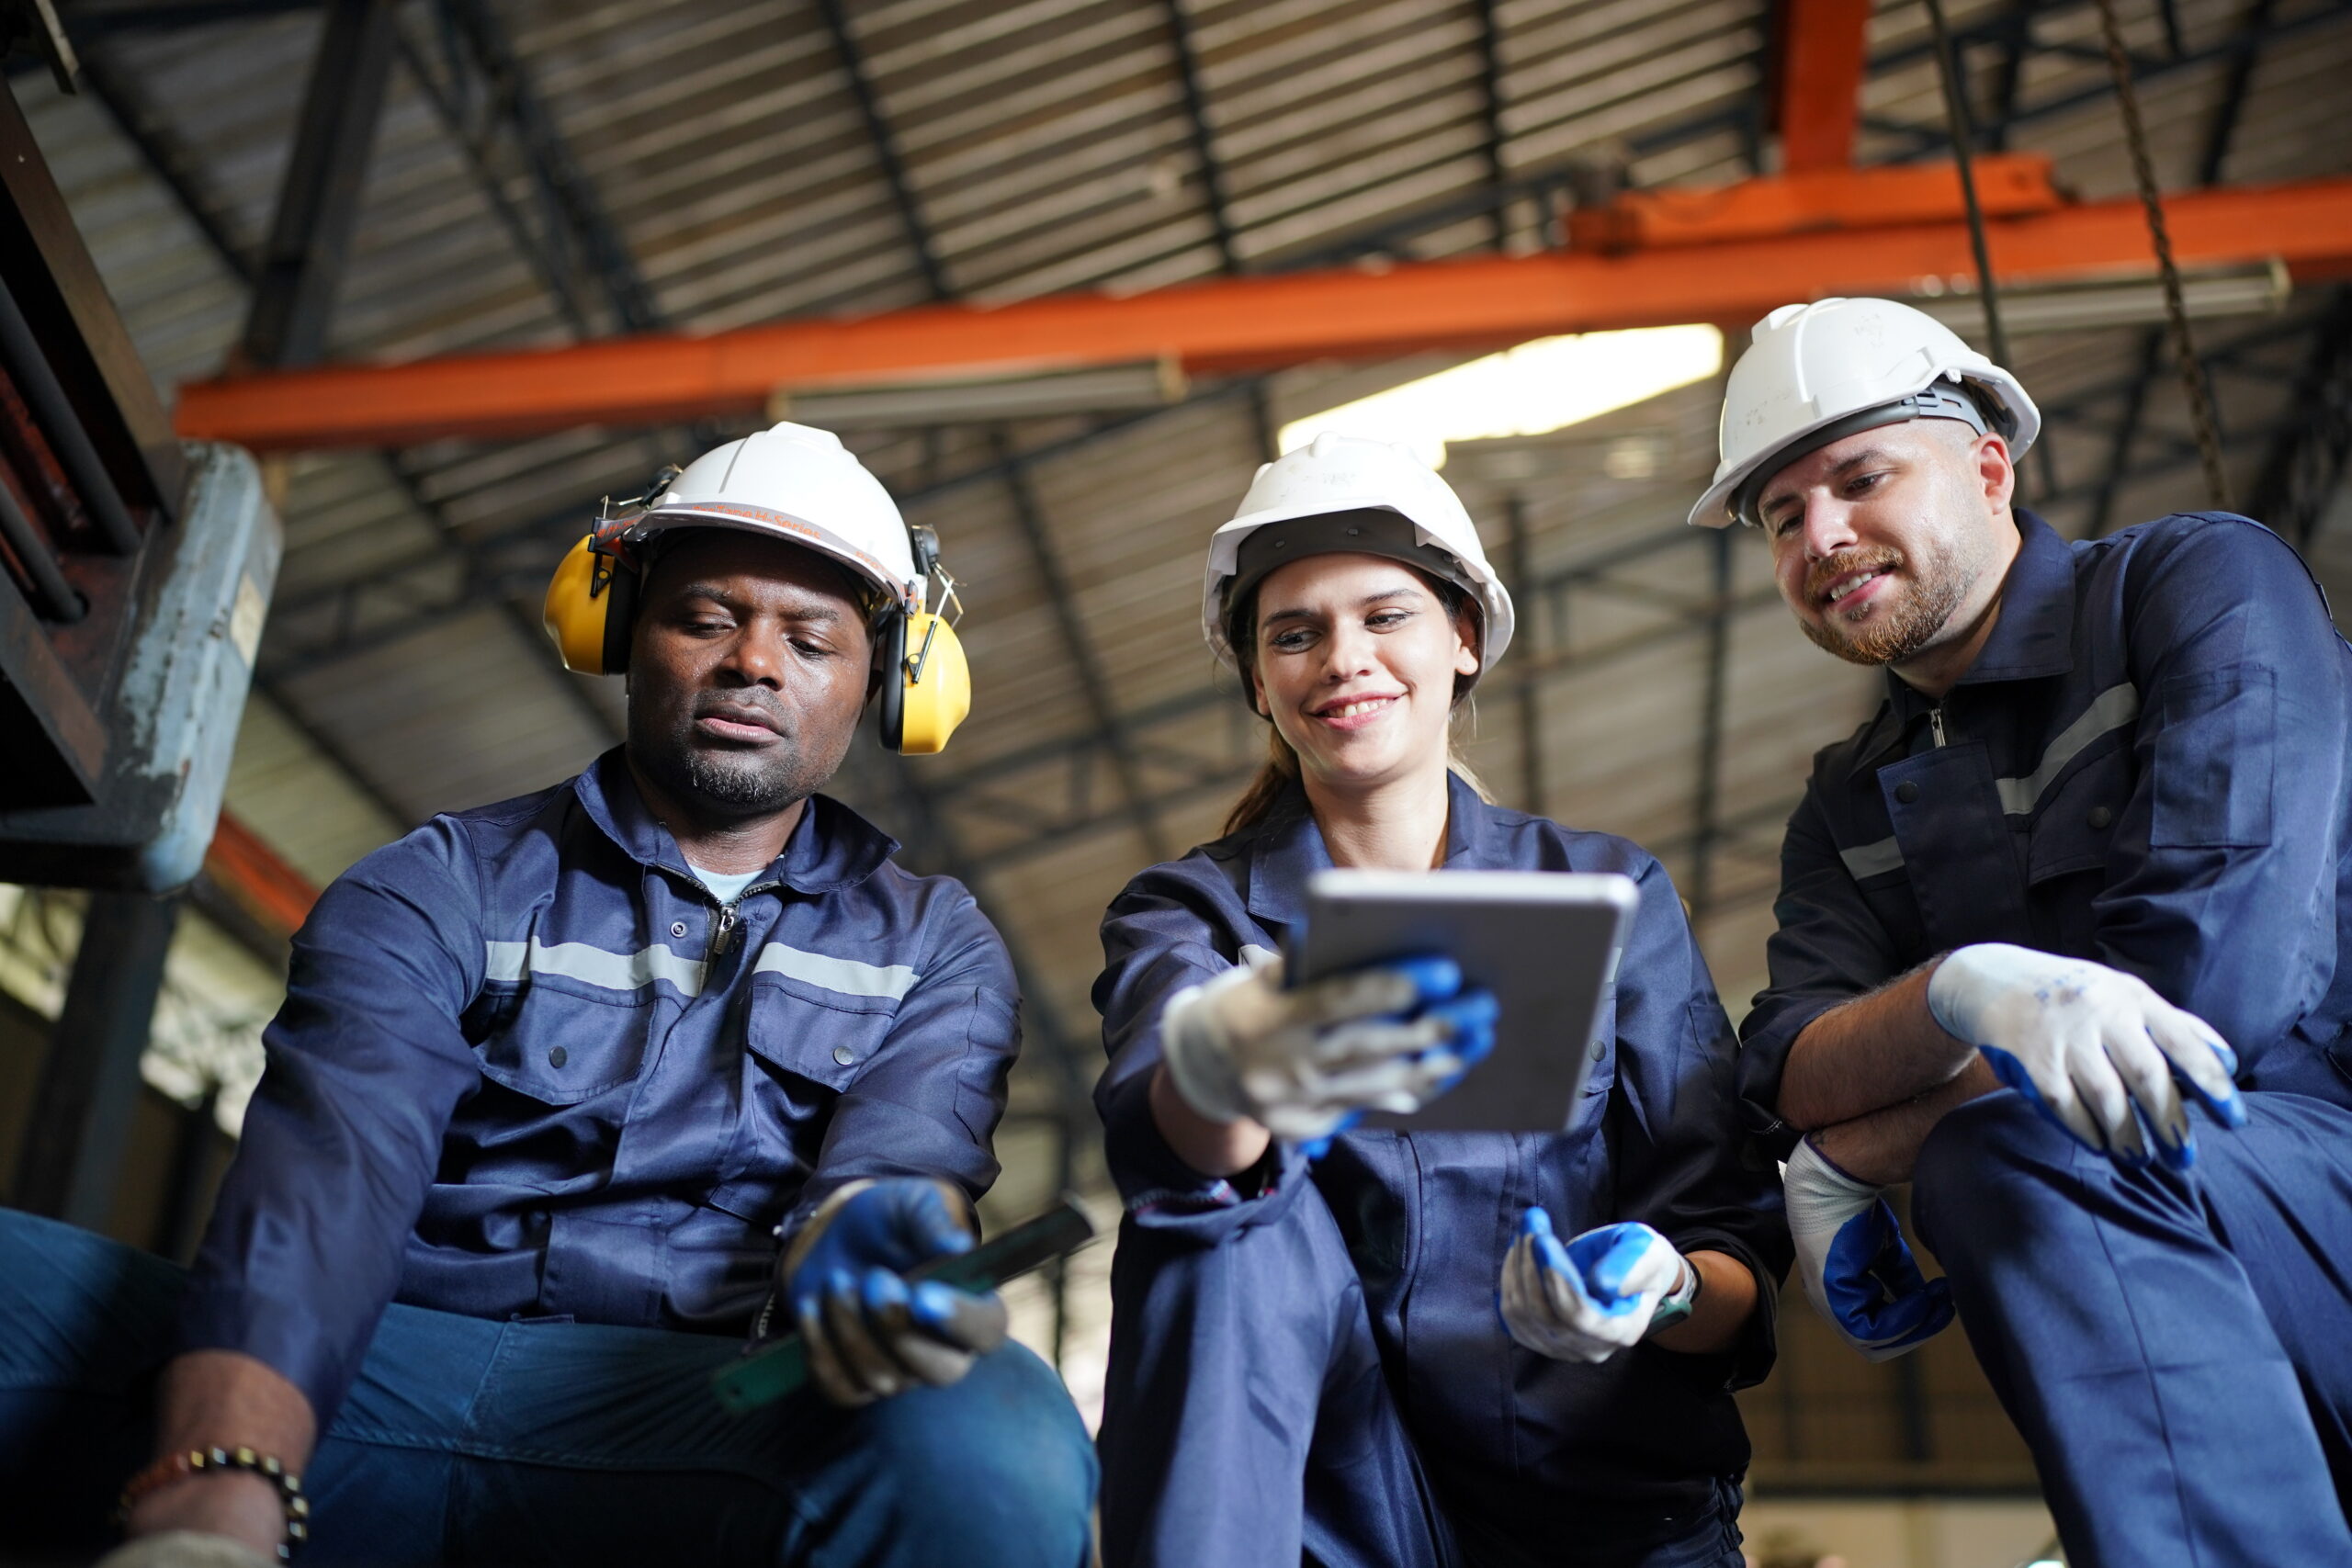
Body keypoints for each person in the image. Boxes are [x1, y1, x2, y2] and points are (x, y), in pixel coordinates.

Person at [0, 423, 1094, 1568]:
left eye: (810, 640)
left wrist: (871, 1241)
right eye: (707, 617)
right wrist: (220, 1484)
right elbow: (334, 1171)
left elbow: (901, 1157)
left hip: (692, 1421)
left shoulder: (931, 944)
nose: (754, 664)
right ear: (622, 631)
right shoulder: (442, 881)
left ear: (889, 683)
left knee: (993, 1422)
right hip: (367, 1375)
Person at [1701, 297, 2352, 1567]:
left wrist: (1873, 1138)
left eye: (1860, 476)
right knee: (2006, 1155)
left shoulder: (2195, 586)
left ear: (1989, 466)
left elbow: (2212, 999)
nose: (1822, 535)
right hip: (2207, 1259)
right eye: (1783, 517)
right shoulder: (1847, 798)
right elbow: (1786, 1064)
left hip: (2316, 1165)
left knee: (2012, 1156)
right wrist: (1959, 988)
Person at [1091, 434, 1791, 1568]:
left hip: (1605, 1502)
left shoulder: (1603, 895)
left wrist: (1659, 1284)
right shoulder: (1195, 913)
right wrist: (1228, 1058)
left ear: (1463, 638)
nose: (1341, 658)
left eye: (1385, 617)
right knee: (1219, 1229)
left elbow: (1733, 1266)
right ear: (1260, 684)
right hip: (1333, 1509)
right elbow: (1190, 1164)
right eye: (1294, 633)